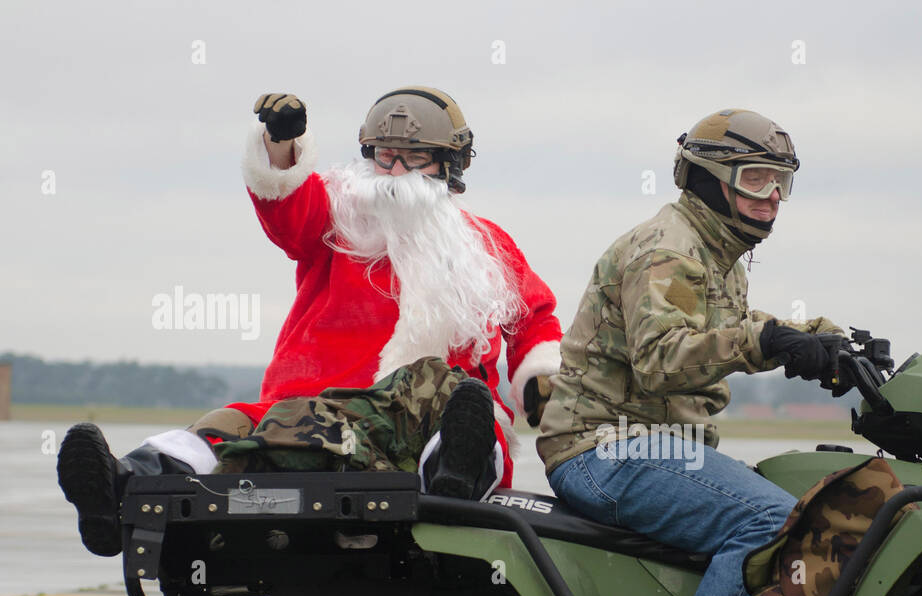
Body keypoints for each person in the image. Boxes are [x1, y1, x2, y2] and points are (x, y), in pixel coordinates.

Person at [59, 86, 562, 556]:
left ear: (448, 166)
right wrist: (282, 144)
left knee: (470, 422)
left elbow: (534, 319)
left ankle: (452, 479)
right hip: (316, 409)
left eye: (414, 158)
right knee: (232, 428)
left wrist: (539, 377)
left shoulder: (485, 244)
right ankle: (118, 488)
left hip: (422, 411)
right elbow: (288, 210)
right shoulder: (337, 218)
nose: (395, 172)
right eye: (384, 156)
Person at [536, 109, 847, 596]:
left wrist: (821, 337)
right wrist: (768, 344)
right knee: (770, 519)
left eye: (782, 183)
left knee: (797, 498)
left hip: (649, 448)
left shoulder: (714, 251)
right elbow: (661, 358)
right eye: (757, 180)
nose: (773, 199)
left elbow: (722, 321)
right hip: (608, 446)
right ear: (709, 177)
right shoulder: (669, 249)